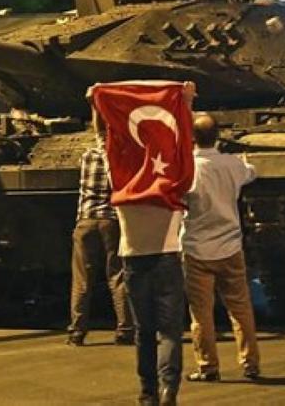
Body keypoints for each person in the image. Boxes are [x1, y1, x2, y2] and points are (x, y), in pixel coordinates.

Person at [113, 81, 196, 406]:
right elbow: (184, 149)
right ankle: (168, 391)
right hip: (167, 261)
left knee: (143, 332)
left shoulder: (122, 192)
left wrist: (97, 106)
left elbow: (109, 146)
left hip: (134, 264)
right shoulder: (172, 188)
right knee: (170, 332)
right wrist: (186, 104)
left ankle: (147, 392)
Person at [181, 114, 260, 382]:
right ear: (217, 136)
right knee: (240, 308)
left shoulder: (186, 167)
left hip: (196, 250)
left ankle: (207, 366)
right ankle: (250, 364)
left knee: (200, 313)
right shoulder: (232, 164)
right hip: (230, 247)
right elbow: (251, 173)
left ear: (192, 137)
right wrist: (245, 163)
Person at [66, 105, 134, 347]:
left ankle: (77, 331)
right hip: (111, 221)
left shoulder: (87, 155)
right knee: (116, 275)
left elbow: (99, 133)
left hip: (85, 221)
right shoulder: (120, 157)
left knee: (82, 279)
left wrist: (96, 103)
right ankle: (125, 329)